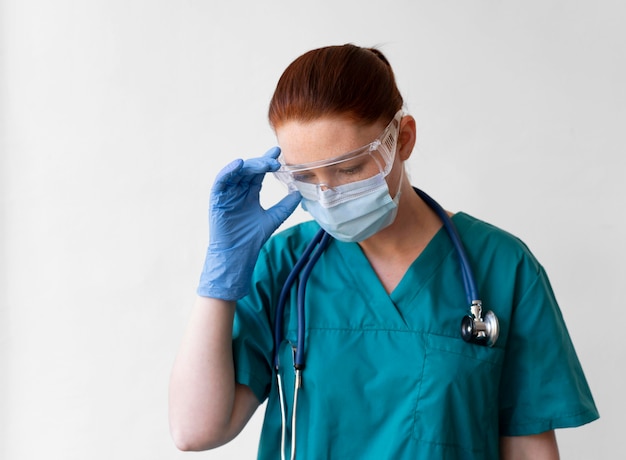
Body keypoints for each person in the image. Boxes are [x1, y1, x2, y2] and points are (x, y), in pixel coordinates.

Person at [169, 44, 599, 459]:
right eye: (305, 176)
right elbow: (195, 431)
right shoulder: (284, 266)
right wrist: (219, 280)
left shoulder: (503, 267)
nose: (328, 195)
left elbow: (527, 449)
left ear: (403, 139)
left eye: (348, 168)